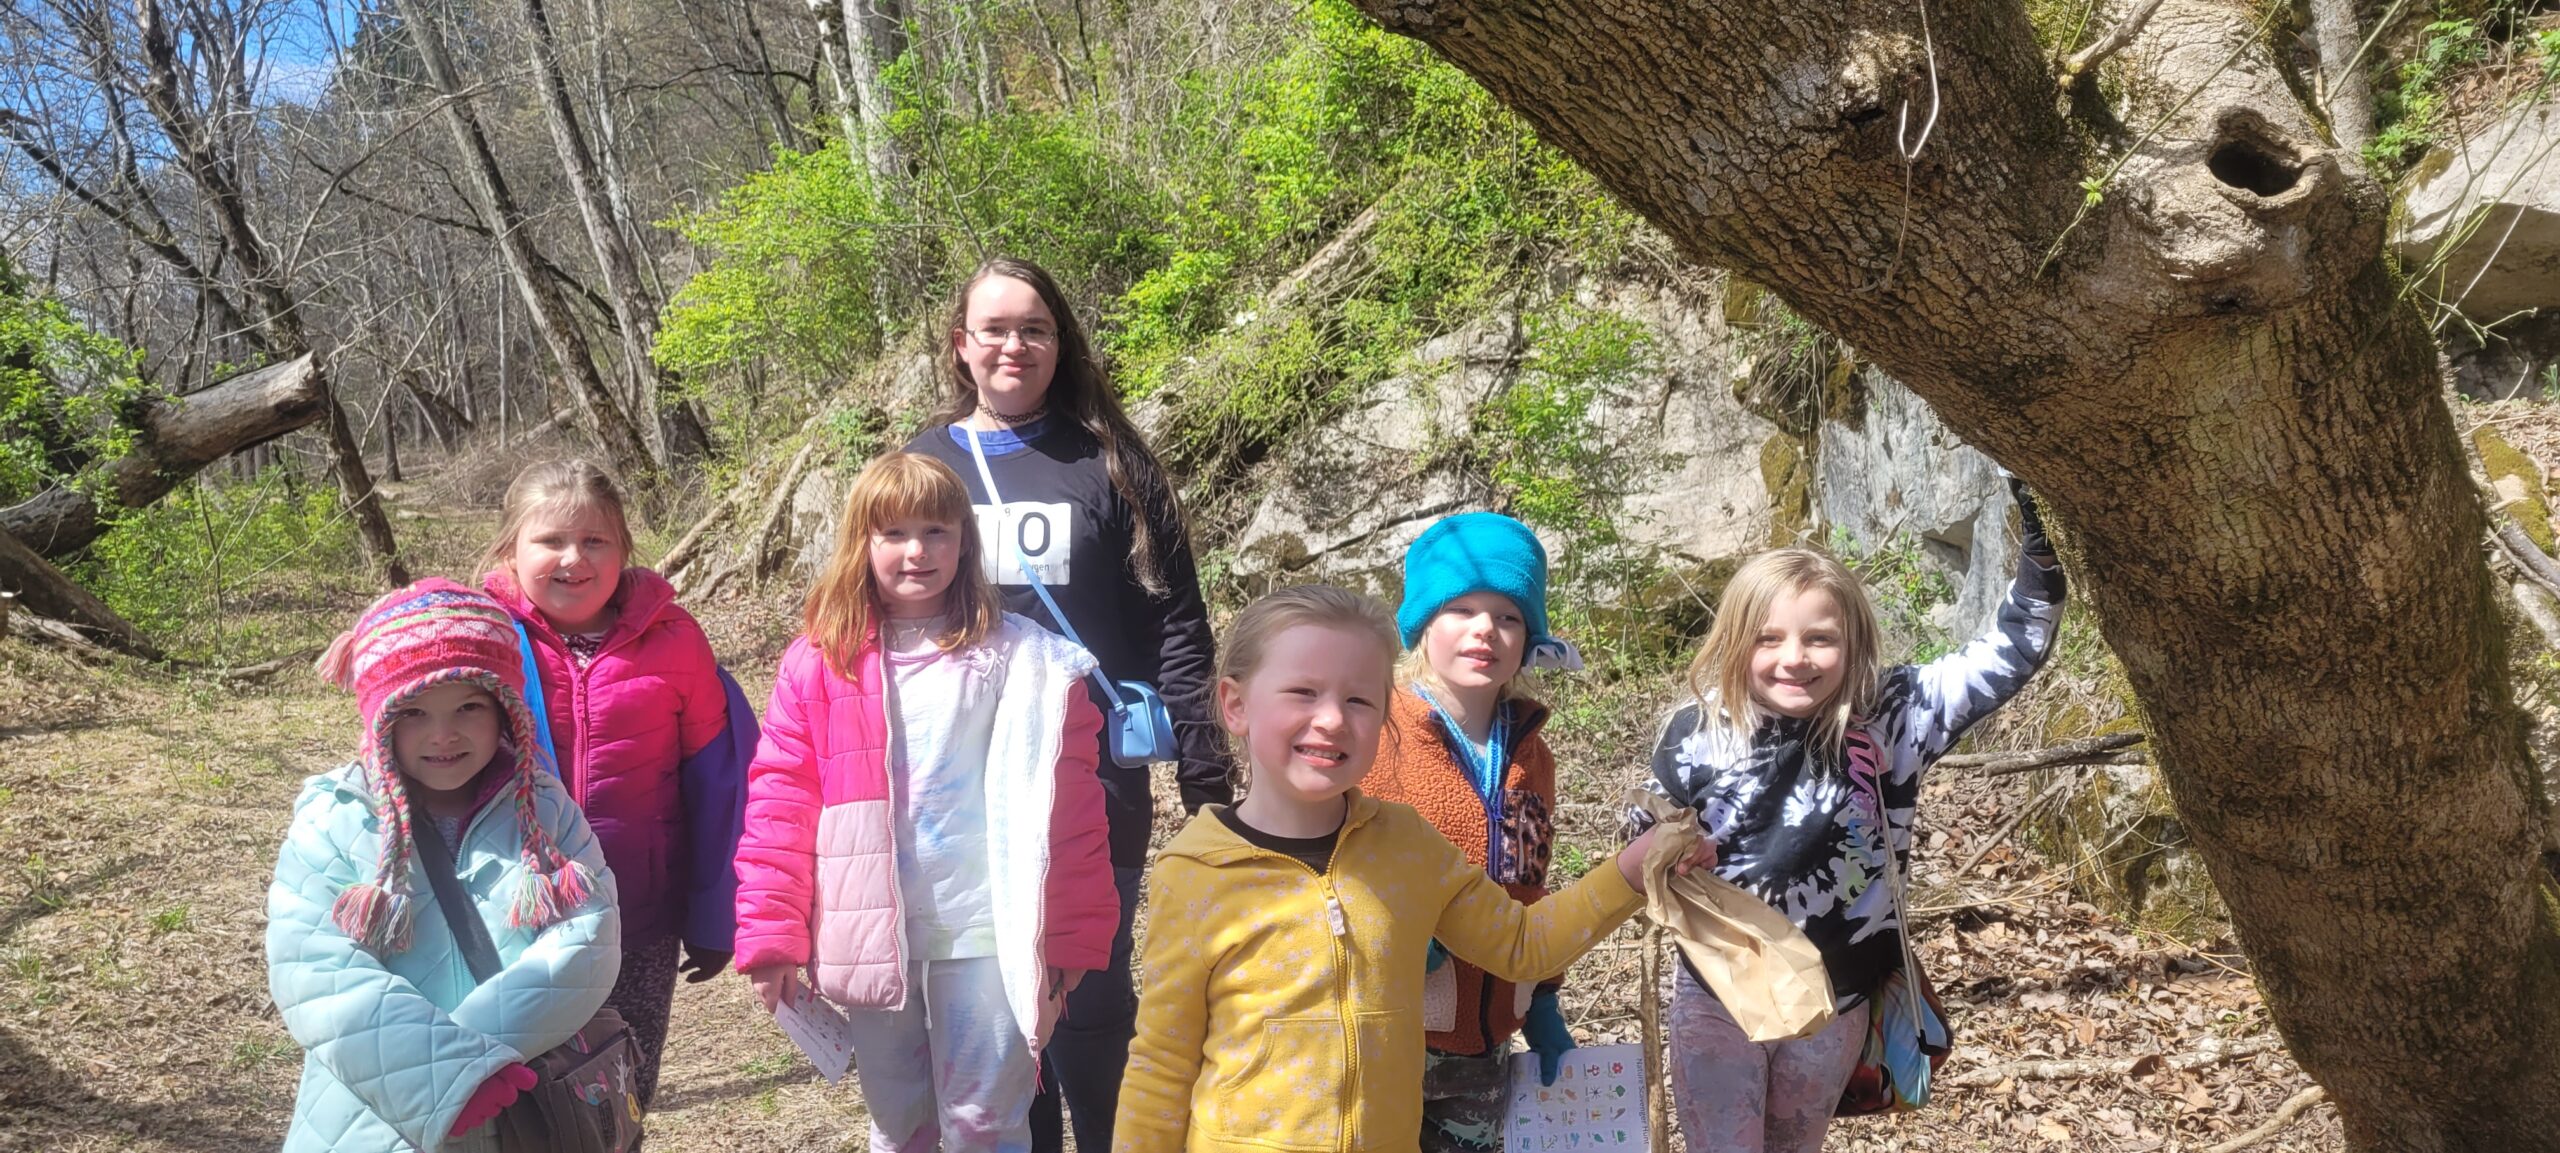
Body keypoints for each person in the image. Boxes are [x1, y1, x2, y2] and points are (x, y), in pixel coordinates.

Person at [1114, 584, 1710, 1153]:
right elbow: (1162, 1065)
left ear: (1384, 717)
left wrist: (1635, 869)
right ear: (1236, 705)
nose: (1331, 719)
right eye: (1302, 692)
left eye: (1358, 699)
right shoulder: (1194, 871)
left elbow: (1524, 943)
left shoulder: (1407, 846)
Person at [1628, 478, 2065, 1153]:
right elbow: (1641, 828)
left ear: (1854, 641)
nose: (1793, 658)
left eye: (1819, 638)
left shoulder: (1896, 714)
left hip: (1836, 999)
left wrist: (2044, 535)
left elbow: (2013, 650)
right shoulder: (1696, 730)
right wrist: (1665, 851)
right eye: (1767, 637)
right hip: (1719, 993)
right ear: (1734, 639)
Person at [904, 256, 1229, 1153]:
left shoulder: (1111, 464)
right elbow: (872, 628)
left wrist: (1206, 776)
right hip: (955, 787)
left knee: (1092, 1002)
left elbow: (1177, 625)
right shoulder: (922, 467)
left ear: (1060, 342)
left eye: (1034, 328)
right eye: (996, 328)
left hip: (1090, 780)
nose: (1015, 344)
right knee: (997, 1019)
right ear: (961, 345)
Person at [733, 451, 1118, 1153]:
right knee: (899, 1120)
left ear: (965, 541)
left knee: (985, 1119)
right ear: (861, 544)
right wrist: (771, 933)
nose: (918, 550)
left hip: (985, 933)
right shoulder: (820, 663)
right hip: (872, 933)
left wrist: (1068, 933)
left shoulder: (1021, 659)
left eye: (937, 531)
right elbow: (779, 802)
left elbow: (1069, 814)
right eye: (895, 533)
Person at [268, 580, 620, 1152]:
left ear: (506, 710)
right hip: (373, 1114)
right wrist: (443, 1071)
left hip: (520, 1103)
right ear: (379, 719)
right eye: (412, 712)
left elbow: (588, 939)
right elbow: (315, 967)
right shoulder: (335, 819)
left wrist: (472, 1059)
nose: (443, 734)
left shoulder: (545, 808)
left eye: (469, 706)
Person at [480, 458, 732, 1108]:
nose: (574, 558)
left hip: (639, 921)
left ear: (623, 549)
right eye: (551, 540)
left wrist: (714, 912)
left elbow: (717, 787)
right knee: (520, 1107)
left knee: (621, 1096)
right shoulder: (483, 642)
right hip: (513, 919)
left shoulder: (674, 638)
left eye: (595, 540)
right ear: (510, 550)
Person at [1363, 513, 1580, 1153]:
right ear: (1422, 626)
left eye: (1508, 616)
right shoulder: (1378, 734)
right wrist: (1396, 936)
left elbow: (1530, 891)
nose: (1485, 629)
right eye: (1460, 609)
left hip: (1488, 1042)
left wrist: (1542, 999)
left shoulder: (1531, 754)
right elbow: (1338, 865)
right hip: (1388, 1035)